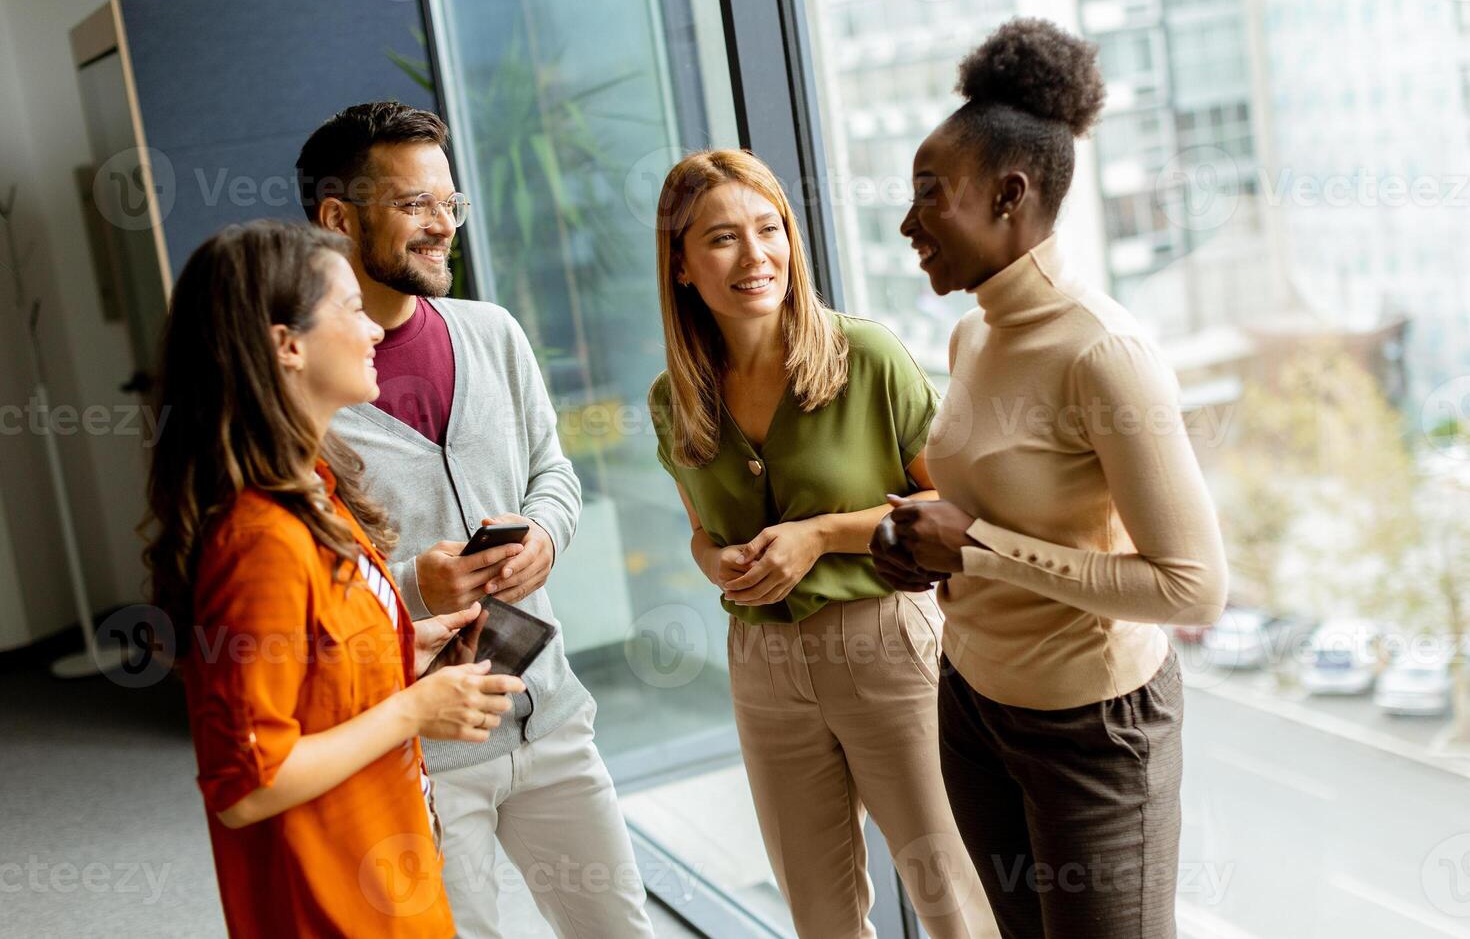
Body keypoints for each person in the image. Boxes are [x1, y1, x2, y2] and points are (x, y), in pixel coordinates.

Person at [871, 19, 1230, 938]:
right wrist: (921, 549)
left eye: (928, 195)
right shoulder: (973, 332)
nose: (908, 224)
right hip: (973, 704)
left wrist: (977, 548)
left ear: (1008, 193)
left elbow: (1192, 585)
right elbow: (987, 510)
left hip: (1094, 733)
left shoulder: (1105, 353)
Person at [296, 102, 654, 939]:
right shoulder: (311, 396)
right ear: (337, 219)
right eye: (415, 204)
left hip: (552, 717)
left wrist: (545, 534)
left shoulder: (492, 333)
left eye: (449, 204)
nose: (441, 226)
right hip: (420, 752)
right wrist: (418, 586)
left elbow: (552, 473)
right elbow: (309, 588)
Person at [143, 221, 526, 937]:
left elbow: (311, 678)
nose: (375, 331)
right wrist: (415, 711)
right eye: (351, 309)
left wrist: (399, 655)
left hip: (387, 868)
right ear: (287, 345)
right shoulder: (258, 541)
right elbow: (247, 783)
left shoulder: (315, 489)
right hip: (330, 903)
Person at [648, 149, 991, 938]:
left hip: (886, 646)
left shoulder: (867, 356)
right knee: (820, 916)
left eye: (769, 229)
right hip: (761, 668)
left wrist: (822, 536)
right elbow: (701, 534)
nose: (755, 254)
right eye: (723, 238)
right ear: (681, 265)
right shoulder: (673, 400)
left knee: (954, 899)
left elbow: (957, 506)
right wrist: (717, 564)